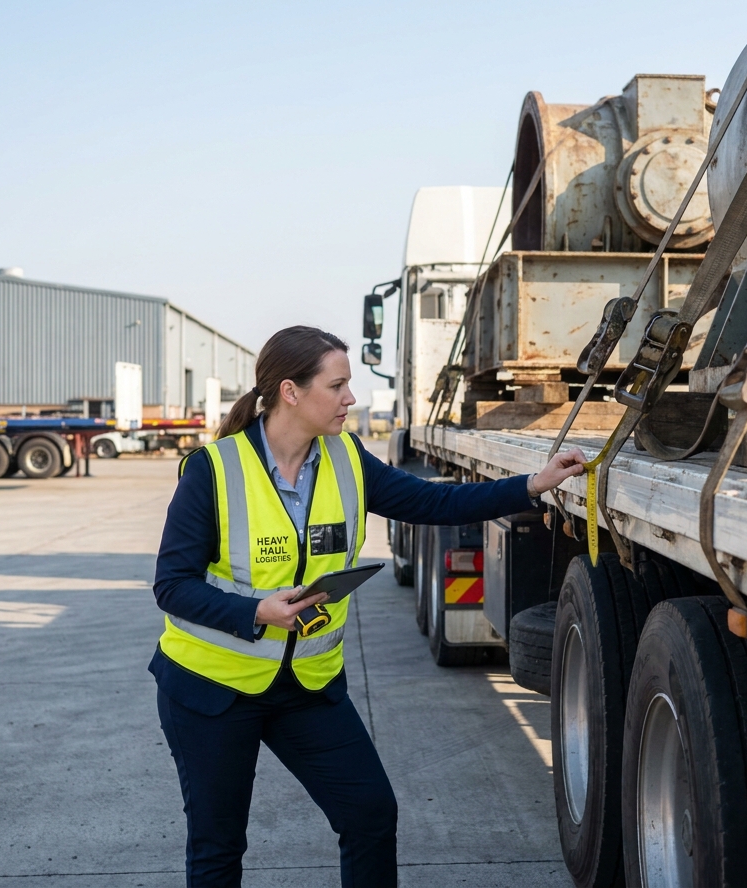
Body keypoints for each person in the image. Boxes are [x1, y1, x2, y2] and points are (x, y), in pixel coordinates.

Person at [150, 325, 587, 888]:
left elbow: (434, 501)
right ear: (290, 392)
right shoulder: (214, 470)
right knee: (218, 846)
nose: (351, 399)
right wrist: (259, 612)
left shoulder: (346, 457)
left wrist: (531, 484)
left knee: (371, 815)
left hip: (305, 688)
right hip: (210, 691)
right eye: (337, 386)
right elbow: (172, 585)